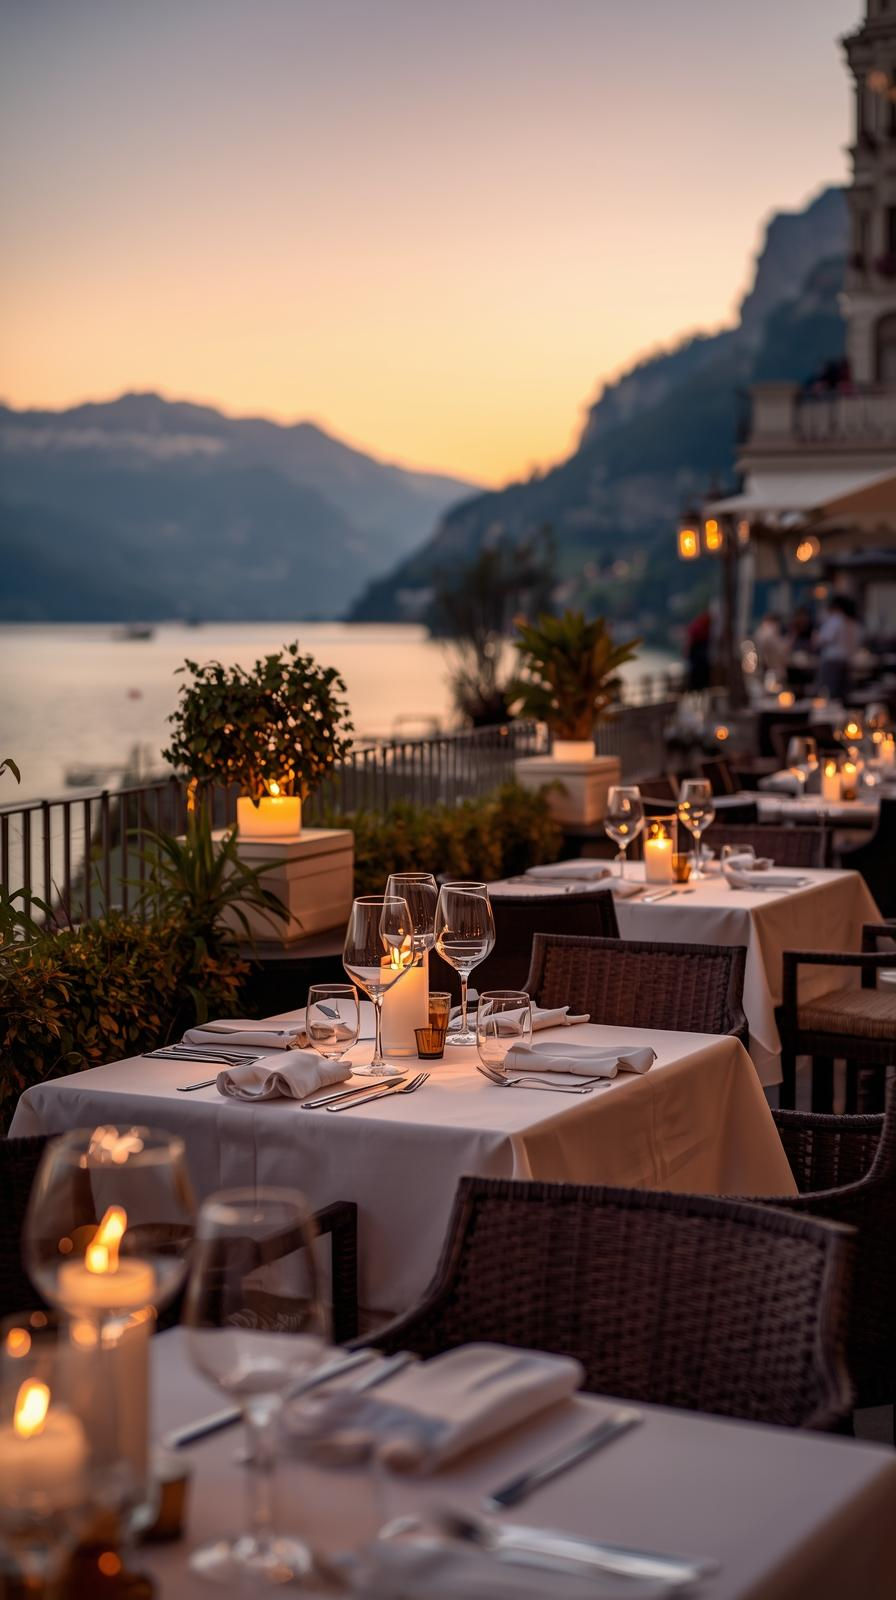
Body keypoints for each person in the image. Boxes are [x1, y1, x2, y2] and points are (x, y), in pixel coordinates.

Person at [816, 594, 861, 701]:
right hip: (847, 661)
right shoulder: (853, 622)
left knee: (829, 694)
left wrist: (816, 637)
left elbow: (823, 639)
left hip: (832, 661)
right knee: (843, 695)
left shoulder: (836, 620)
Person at [685, 609, 712, 692]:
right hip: (699, 653)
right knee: (699, 672)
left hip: (697, 654)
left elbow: (690, 640)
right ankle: (698, 687)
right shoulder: (701, 627)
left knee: (696, 672)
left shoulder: (698, 626)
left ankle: (695, 687)